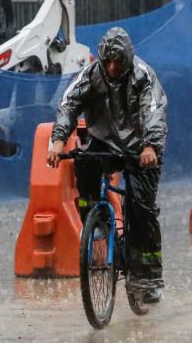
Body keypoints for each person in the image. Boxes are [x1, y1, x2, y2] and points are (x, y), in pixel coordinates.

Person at [47, 27, 168, 304]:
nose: (112, 68)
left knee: (141, 208)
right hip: (103, 143)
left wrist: (150, 146)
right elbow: (69, 104)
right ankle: (95, 222)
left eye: (118, 63)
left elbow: (155, 112)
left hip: (140, 149)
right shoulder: (91, 75)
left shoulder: (143, 76)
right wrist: (57, 142)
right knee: (83, 165)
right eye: (108, 62)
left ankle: (147, 277)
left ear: (127, 60)